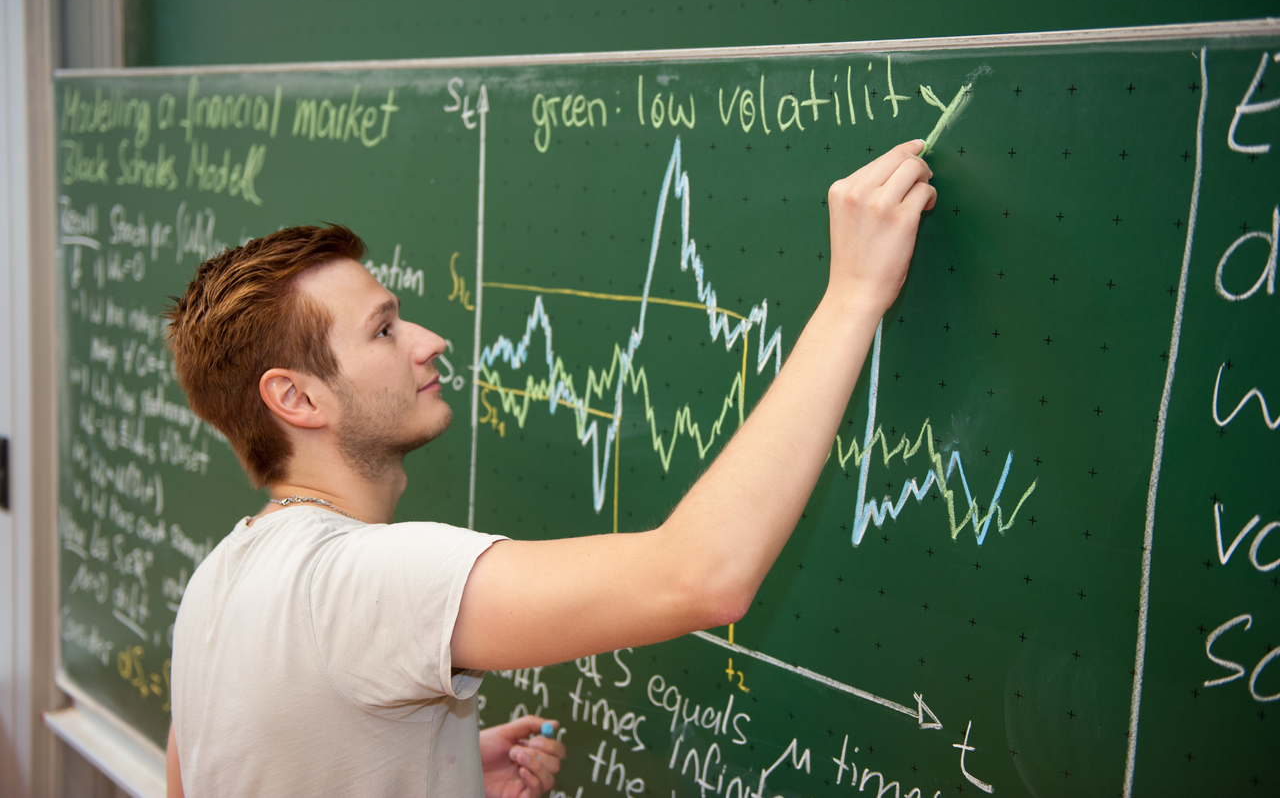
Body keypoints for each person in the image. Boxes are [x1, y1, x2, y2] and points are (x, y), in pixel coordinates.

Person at [162, 140, 935, 797]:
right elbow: (703, 576)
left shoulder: (217, 581)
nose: (427, 341)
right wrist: (854, 295)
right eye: (385, 329)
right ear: (296, 397)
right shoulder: (362, 579)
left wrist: (445, 774)